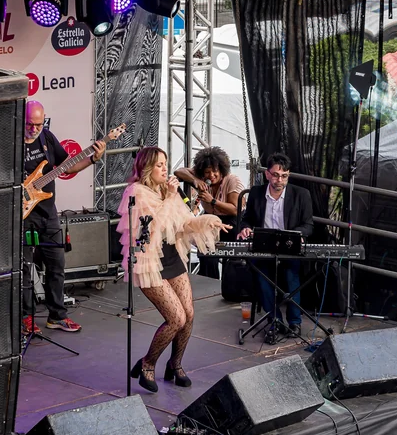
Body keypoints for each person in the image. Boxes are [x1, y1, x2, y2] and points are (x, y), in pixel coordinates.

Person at [118, 147, 231, 392]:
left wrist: (210, 221)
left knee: (188, 315)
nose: (164, 169)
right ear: (147, 167)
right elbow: (152, 229)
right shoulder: (135, 193)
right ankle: (148, 363)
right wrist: (170, 197)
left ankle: (175, 364)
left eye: (165, 163)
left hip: (172, 259)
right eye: (159, 165)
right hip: (149, 263)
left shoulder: (170, 191)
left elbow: (184, 222)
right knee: (176, 318)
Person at [22, 100, 104, 335]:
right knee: (25, 268)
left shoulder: (47, 139)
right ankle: (26, 318)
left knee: (57, 266)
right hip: (24, 215)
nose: (34, 129)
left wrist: (93, 159)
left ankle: (57, 316)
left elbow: (67, 167)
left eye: (38, 124)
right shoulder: (12, 141)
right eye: (30, 124)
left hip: (48, 214)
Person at [237, 152, 314, 342]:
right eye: (276, 175)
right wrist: (245, 229)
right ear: (267, 174)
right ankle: (275, 321)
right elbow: (246, 220)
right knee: (262, 277)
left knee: (291, 276)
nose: (280, 180)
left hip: (288, 248)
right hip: (263, 248)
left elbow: (308, 225)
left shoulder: (301, 195)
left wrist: (299, 236)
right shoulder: (256, 193)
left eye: (284, 176)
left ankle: (295, 322)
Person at [174, 146, 246, 278]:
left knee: (229, 258)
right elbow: (179, 172)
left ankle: (229, 285)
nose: (211, 176)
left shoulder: (232, 180)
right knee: (206, 254)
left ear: (222, 170)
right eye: (207, 172)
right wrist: (195, 180)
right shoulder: (202, 179)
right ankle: (208, 282)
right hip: (210, 220)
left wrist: (212, 201)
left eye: (215, 172)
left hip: (231, 222)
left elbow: (235, 210)